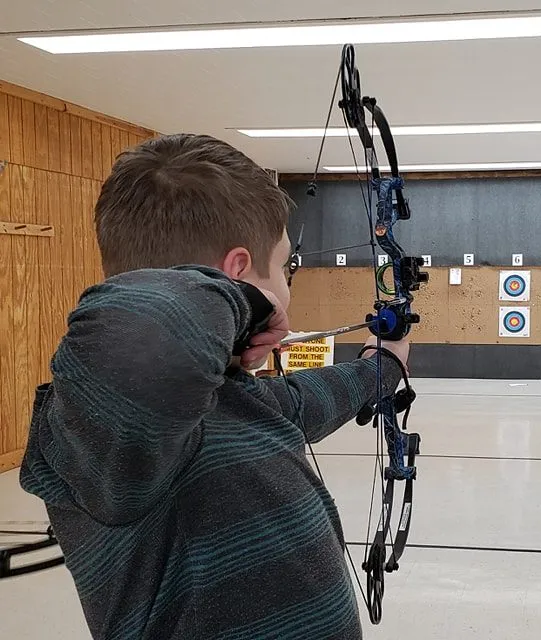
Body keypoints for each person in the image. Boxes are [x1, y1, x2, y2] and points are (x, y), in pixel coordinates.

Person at [18, 133, 409, 639]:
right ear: (238, 273)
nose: (287, 288)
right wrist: (247, 302)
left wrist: (383, 368)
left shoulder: (217, 399)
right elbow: (143, 334)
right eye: (285, 267)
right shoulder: (96, 421)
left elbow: (295, 405)